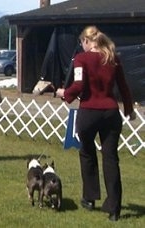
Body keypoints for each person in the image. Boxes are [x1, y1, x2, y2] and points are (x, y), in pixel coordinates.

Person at [55, 26, 136, 221]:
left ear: (86, 41)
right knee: (111, 159)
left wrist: (64, 94)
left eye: (81, 43)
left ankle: (90, 197)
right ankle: (114, 208)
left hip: (89, 112)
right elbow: (123, 86)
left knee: (87, 153)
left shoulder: (82, 59)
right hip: (110, 112)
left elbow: (79, 85)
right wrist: (129, 109)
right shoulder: (113, 57)